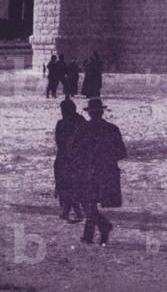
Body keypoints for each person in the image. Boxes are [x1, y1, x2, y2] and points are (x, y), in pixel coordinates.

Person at [69, 98, 126, 246]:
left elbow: (72, 150)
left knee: (88, 203)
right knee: (91, 204)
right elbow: (121, 152)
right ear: (101, 112)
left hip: (87, 172)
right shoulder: (112, 129)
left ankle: (99, 229)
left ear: (89, 113)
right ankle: (96, 231)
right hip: (106, 173)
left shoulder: (82, 129)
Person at [54, 98, 86, 222]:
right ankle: (70, 211)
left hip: (66, 159)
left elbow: (59, 142)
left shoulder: (62, 124)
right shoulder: (81, 121)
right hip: (77, 159)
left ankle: (73, 211)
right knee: (72, 185)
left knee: (67, 185)